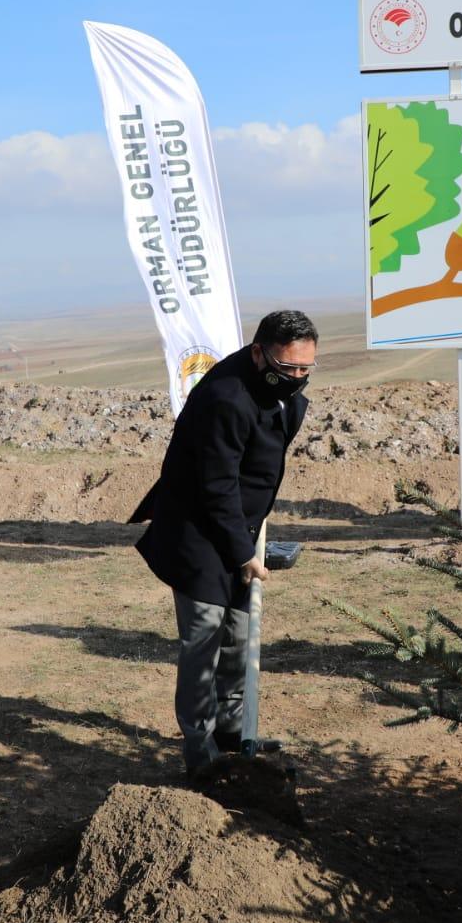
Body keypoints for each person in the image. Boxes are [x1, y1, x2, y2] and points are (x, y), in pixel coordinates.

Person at [129, 310, 316, 777]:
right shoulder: (225, 397)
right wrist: (242, 554)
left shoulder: (280, 394)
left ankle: (234, 733)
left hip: (238, 527)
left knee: (237, 635)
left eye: (305, 369)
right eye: (287, 368)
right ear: (259, 354)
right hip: (195, 531)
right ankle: (200, 752)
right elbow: (216, 486)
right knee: (205, 637)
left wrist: (249, 536)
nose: (295, 378)